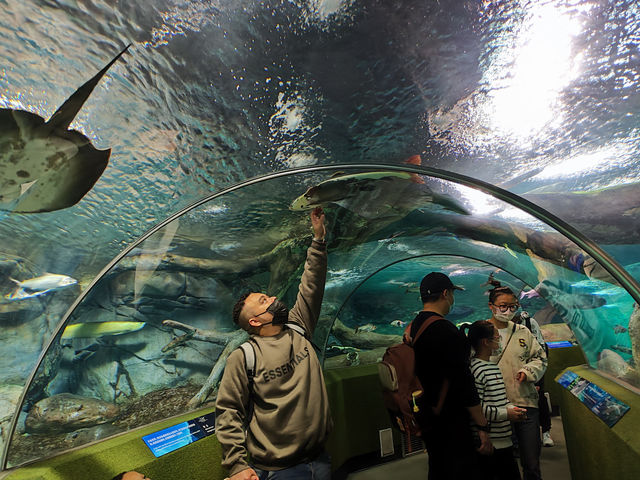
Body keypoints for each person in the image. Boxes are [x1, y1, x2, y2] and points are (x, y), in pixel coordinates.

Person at [215, 207, 332, 480]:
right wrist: (236, 464)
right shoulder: (244, 357)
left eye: (265, 295)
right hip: (279, 471)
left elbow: (312, 283)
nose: (271, 298)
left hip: (320, 457)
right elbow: (228, 411)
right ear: (255, 322)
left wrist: (318, 240)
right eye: (263, 301)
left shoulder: (298, 327)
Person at [411, 272, 493, 480]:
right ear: (446, 294)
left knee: (437, 468)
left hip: (426, 413)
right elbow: (464, 384)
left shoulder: (414, 326)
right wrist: (482, 425)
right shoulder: (446, 330)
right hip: (450, 419)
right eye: (453, 294)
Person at [487, 285, 547, 480]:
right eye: (503, 306)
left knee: (531, 463)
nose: (508, 311)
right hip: (496, 409)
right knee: (502, 464)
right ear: (491, 306)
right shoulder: (482, 332)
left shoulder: (523, 332)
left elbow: (540, 358)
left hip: (525, 404)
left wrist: (527, 371)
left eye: (513, 306)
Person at [462, 320, 526, 480]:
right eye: (497, 337)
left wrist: (512, 408)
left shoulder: (492, 366)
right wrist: (506, 414)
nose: (499, 340)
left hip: (505, 440)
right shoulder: (477, 369)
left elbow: (500, 399)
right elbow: (478, 409)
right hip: (490, 442)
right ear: (486, 342)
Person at [514, 310, 554, 447]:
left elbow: (541, 348)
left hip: (534, 367)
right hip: (515, 369)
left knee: (539, 396)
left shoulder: (529, 322)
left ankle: (546, 432)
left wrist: (534, 371)